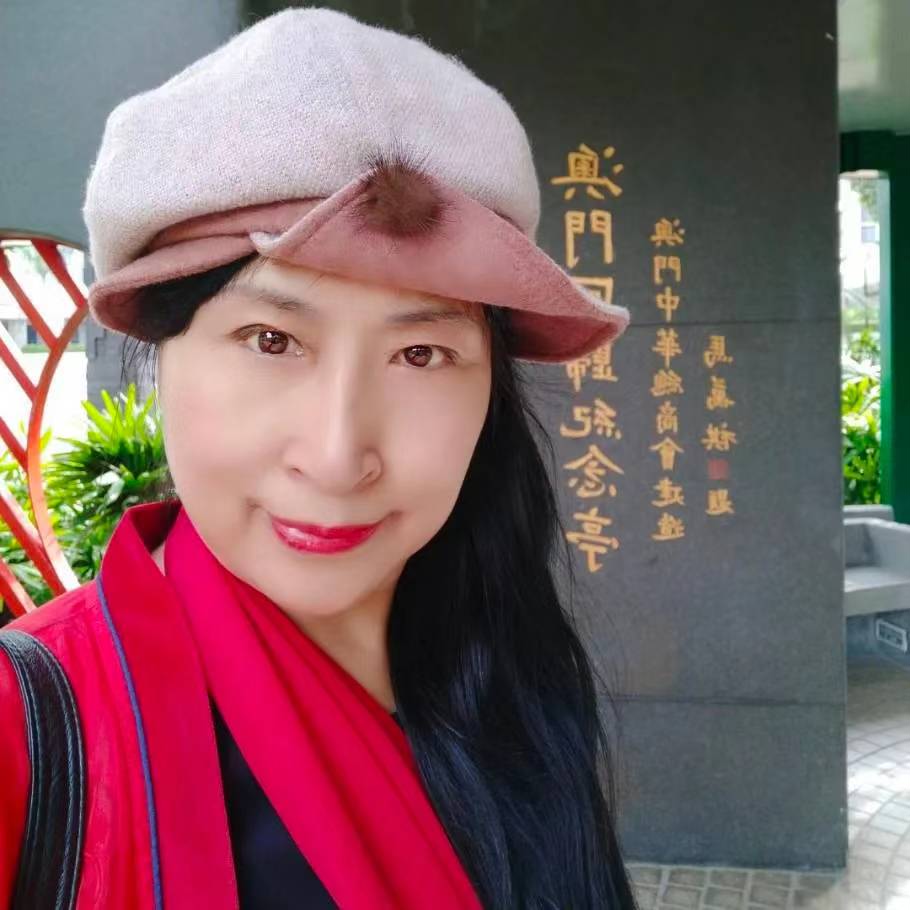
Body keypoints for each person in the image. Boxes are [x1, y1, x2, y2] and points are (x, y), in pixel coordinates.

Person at [0, 7, 638, 908]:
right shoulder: (27, 735)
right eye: (271, 340)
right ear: (160, 353)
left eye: (421, 354)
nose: (338, 459)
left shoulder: (510, 672)